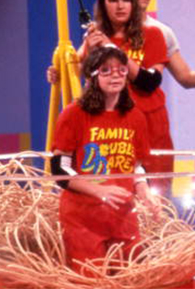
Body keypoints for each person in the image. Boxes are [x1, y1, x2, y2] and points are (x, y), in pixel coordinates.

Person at [50, 45, 159, 275]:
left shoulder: (135, 116)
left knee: (129, 277)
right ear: (93, 75)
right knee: (93, 279)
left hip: (123, 217)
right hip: (83, 220)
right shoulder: (74, 114)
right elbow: (60, 169)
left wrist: (146, 194)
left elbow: (136, 165)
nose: (116, 75)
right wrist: (98, 191)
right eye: (106, 70)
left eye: (121, 70)